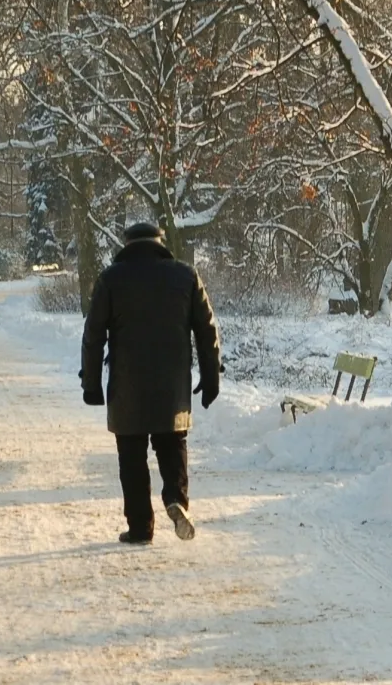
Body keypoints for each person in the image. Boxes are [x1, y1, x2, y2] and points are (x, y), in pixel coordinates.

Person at [80, 222, 221, 545]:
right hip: (172, 386)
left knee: (131, 457)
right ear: (161, 243)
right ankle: (176, 499)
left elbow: (93, 335)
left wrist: (91, 383)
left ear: (127, 244)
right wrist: (211, 377)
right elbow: (207, 330)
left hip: (127, 386)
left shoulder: (111, 279)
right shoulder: (185, 276)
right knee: (172, 445)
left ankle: (141, 527)